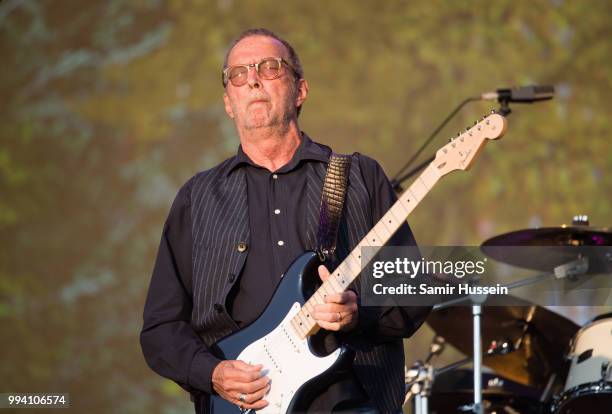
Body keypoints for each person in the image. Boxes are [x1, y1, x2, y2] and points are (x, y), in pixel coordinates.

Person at [140, 28, 430, 414]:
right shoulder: (198, 198)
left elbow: (414, 291)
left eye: (269, 67)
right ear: (229, 102)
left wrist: (359, 314)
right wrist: (213, 374)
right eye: (238, 75)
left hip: (352, 400)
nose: (253, 79)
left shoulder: (360, 177)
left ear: (301, 90)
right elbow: (160, 329)